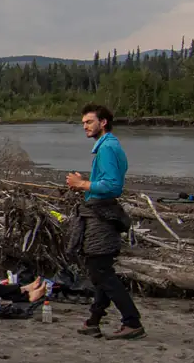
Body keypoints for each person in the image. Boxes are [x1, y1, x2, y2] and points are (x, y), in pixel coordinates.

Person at [62, 103, 144, 338]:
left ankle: (132, 321)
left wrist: (82, 184)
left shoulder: (107, 147)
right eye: (84, 123)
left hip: (102, 217)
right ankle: (94, 321)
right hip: (101, 214)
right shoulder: (109, 146)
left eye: (89, 122)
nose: (85, 127)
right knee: (101, 270)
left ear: (103, 122)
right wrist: (85, 183)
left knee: (100, 272)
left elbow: (112, 186)